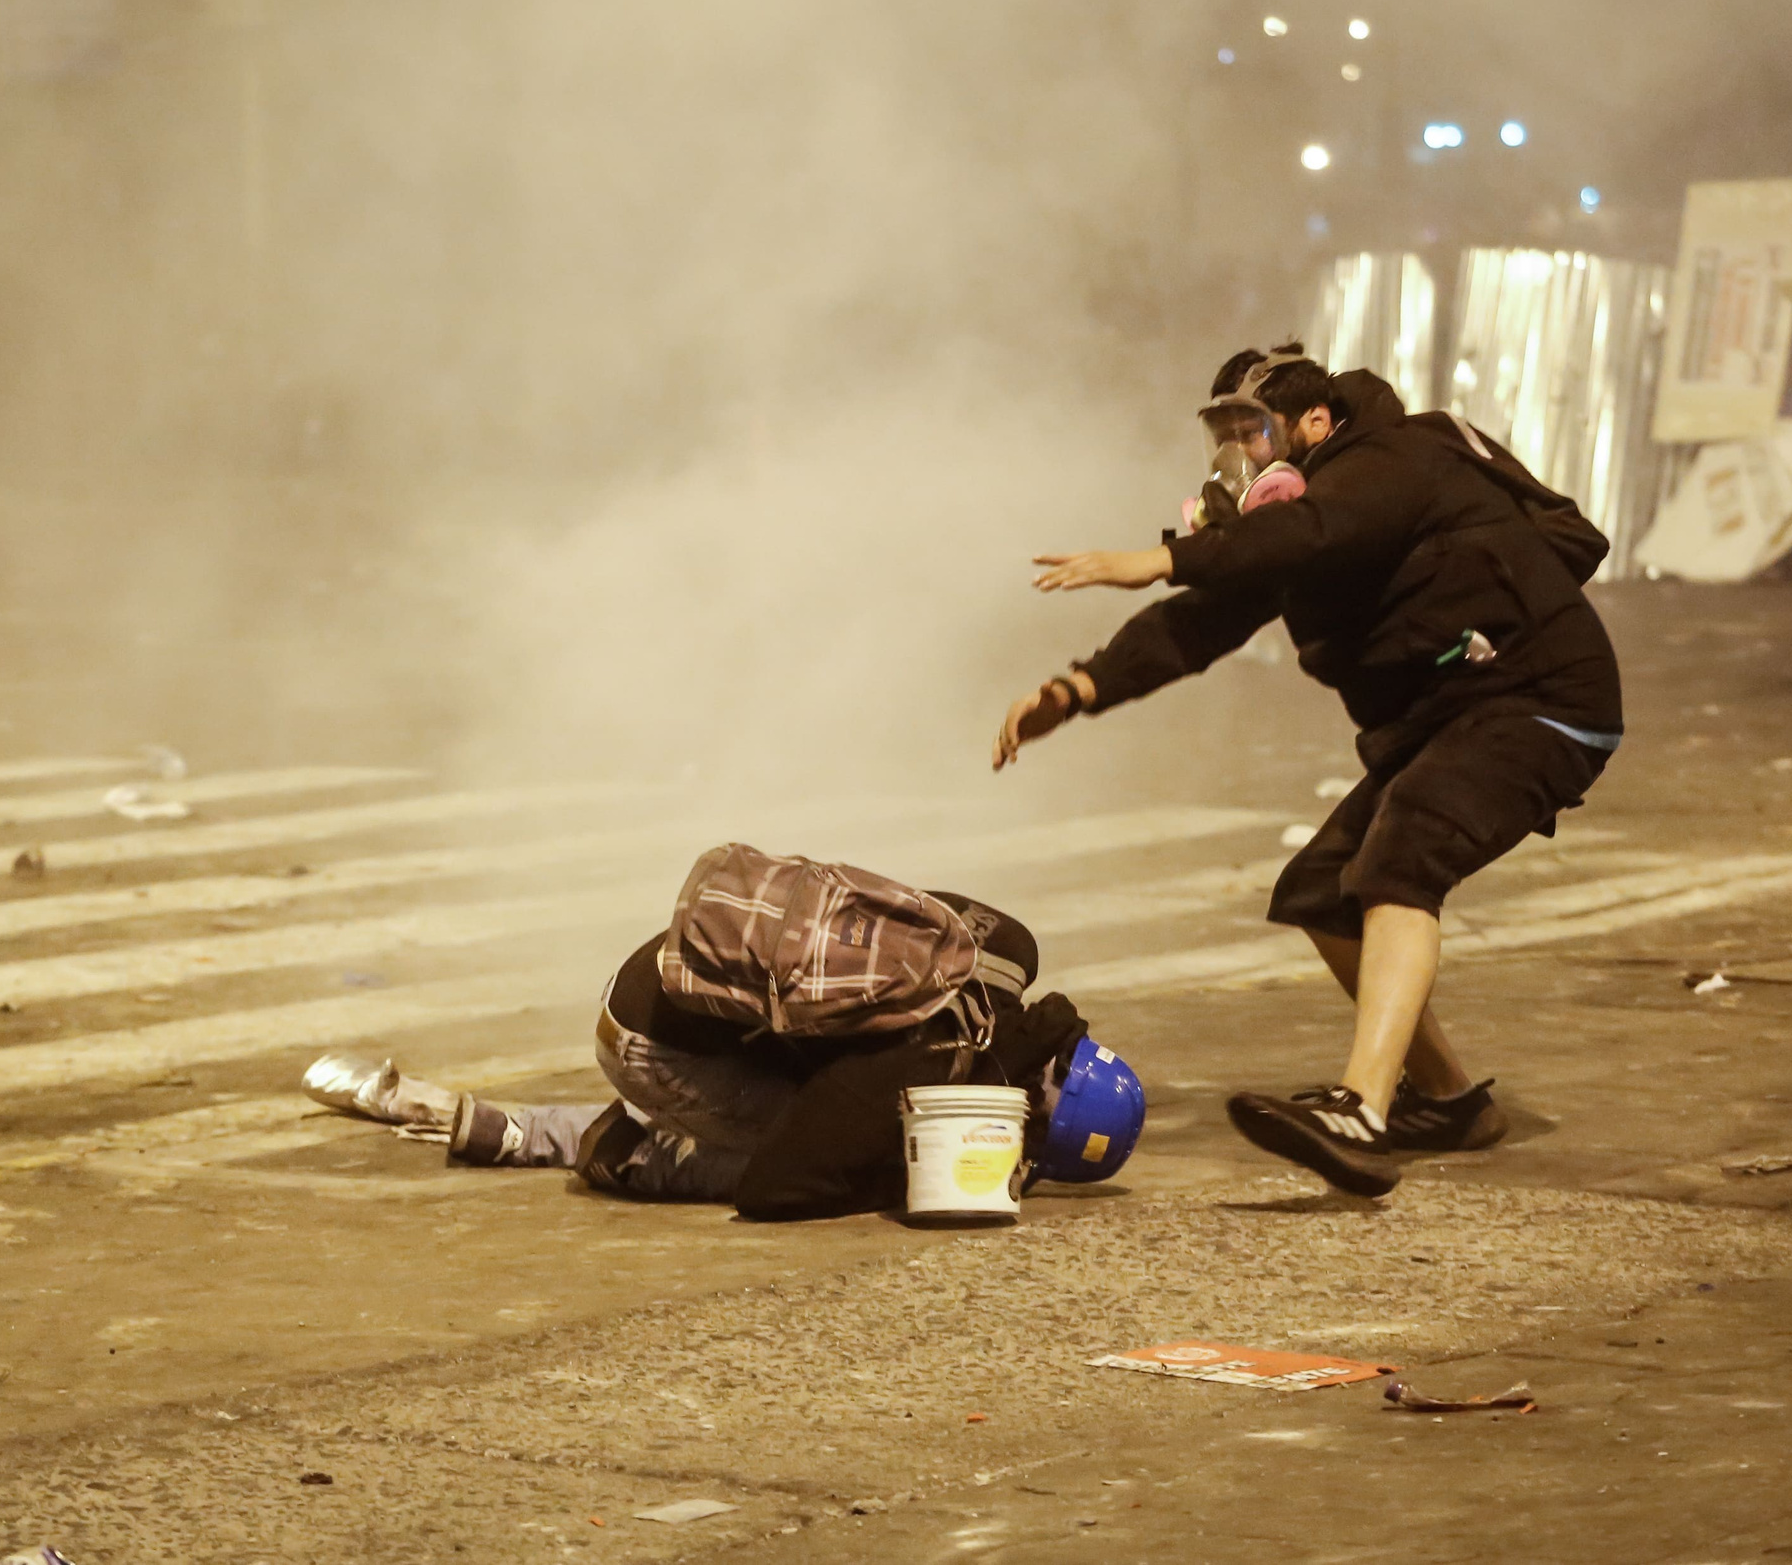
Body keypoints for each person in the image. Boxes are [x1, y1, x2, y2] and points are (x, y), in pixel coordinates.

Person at [992, 346, 1620, 1198]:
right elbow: (1202, 622)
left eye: (1251, 430)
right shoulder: (1296, 518)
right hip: (1453, 718)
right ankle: (1451, 1102)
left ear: (1316, 423)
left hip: (1536, 696)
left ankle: (1361, 1111)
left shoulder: (1393, 460)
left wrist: (1163, 555)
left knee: (1404, 856)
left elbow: (1317, 529)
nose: (1238, 454)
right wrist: (1079, 686)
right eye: (1224, 434)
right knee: (1323, 887)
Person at [300, 851, 1145, 1221]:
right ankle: (614, 1151)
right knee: (838, 1150)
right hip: (648, 1041)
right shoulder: (917, 1065)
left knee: (837, 1115)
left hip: (671, 962)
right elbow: (777, 1187)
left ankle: (526, 1125)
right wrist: (903, 1174)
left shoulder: (1008, 951)